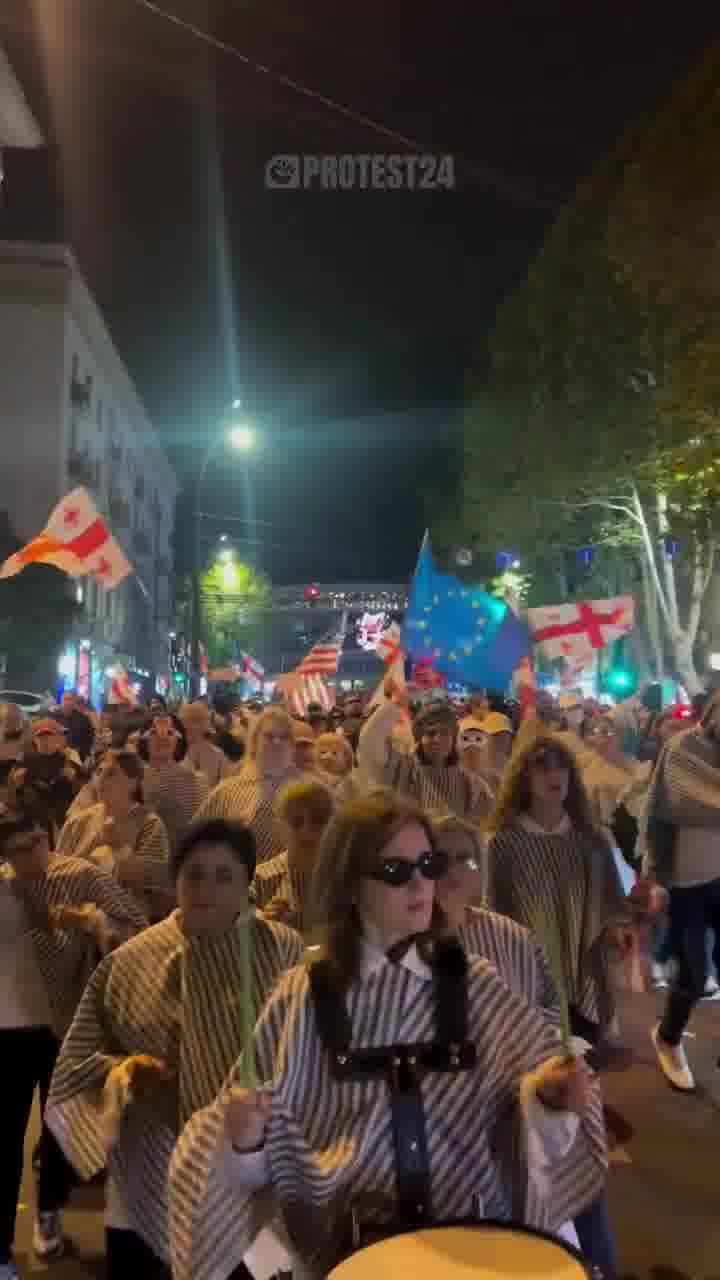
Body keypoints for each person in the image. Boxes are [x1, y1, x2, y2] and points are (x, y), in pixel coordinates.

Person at [168, 791, 607, 1280]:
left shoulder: (478, 985)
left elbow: (539, 1131)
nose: (421, 883)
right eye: (396, 871)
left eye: (428, 863)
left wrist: (549, 1098)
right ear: (351, 886)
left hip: (477, 1251)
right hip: (350, 1257)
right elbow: (245, 1164)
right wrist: (243, 1143)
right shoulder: (304, 997)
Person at [46, 819, 303, 1280]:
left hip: (251, 1182)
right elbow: (75, 1066)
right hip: (148, 1176)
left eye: (225, 876)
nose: (207, 887)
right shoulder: (129, 962)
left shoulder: (281, 950)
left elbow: (309, 1055)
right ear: (176, 879)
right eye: (194, 874)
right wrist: (123, 1075)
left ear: (248, 883)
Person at [0, 810, 147, 1276]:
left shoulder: (78, 874)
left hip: (67, 1024)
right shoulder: (2, 889)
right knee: (5, 1138)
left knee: (59, 1125)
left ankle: (49, 1212)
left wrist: (94, 922)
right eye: (19, 849)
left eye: (38, 840)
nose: (33, 855)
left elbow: (134, 920)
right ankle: (1, 1249)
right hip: (9, 1027)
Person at [487, 732, 630, 1052]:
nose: (554, 776)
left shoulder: (591, 841)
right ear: (524, 779)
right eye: (542, 768)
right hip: (527, 975)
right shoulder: (503, 844)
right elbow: (494, 912)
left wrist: (617, 929)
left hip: (585, 968)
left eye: (561, 767)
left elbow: (611, 904)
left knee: (586, 1065)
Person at [642, 691, 720, 1090]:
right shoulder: (682, 748)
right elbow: (658, 813)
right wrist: (655, 874)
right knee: (692, 974)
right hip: (687, 881)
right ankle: (668, 1038)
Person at [56, 750, 171, 923]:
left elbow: (153, 886)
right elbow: (57, 873)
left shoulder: (149, 824)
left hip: (123, 924)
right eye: (99, 772)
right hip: (74, 919)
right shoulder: (77, 822)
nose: (101, 779)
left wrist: (119, 848)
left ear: (133, 782)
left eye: (111, 773)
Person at [358, 680, 493, 821]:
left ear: (454, 737)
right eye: (430, 733)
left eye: (445, 732)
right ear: (419, 738)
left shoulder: (471, 784)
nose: (437, 739)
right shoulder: (403, 770)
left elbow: (484, 826)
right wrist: (397, 703)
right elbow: (369, 741)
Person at [196, 707, 305, 863]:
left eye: (284, 737)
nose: (277, 741)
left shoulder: (307, 790)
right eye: (269, 736)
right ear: (254, 742)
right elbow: (198, 838)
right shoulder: (228, 790)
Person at [254, 779, 334, 933]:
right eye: (296, 822)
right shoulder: (260, 880)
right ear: (280, 828)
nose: (306, 831)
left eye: (318, 821)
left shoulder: (349, 877)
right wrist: (262, 927)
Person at [138, 714, 209, 853]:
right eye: (154, 732)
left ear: (178, 741)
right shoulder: (132, 779)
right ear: (143, 741)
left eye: (170, 732)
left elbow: (202, 831)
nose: (162, 737)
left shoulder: (197, 782)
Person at [9, 719, 86, 843]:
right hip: (37, 814)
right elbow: (14, 791)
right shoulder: (26, 759)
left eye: (49, 736)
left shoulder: (66, 757)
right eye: (41, 737)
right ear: (35, 740)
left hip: (63, 812)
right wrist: (18, 785)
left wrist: (73, 779)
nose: (45, 740)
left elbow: (84, 787)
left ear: (56, 738)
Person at [179, 701, 235, 788]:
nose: (192, 726)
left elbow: (226, 785)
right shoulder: (174, 750)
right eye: (189, 720)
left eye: (197, 720)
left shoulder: (217, 754)